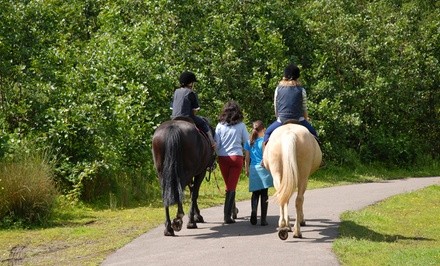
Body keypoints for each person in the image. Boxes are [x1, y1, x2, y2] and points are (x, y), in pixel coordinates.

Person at [263, 63, 319, 144]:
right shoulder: (301, 90)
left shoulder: (278, 89)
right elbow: (304, 108)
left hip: (282, 119)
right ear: (297, 77)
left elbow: (276, 107)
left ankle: (264, 156)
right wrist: (305, 119)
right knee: (314, 134)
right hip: (299, 119)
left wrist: (278, 118)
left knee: (267, 133)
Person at [215, 100, 249, 224]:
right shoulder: (241, 126)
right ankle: (227, 215)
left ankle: (233, 210)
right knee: (231, 186)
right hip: (236, 158)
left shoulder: (219, 126)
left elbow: (216, 144)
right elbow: (247, 142)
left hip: (223, 158)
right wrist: (248, 156)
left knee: (229, 185)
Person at [171, 71, 216, 148]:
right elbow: (195, 110)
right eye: (193, 82)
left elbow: (172, 107)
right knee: (204, 123)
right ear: (190, 83)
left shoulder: (176, 92)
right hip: (187, 118)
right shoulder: (190, 92)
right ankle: (212, 143)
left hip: (174, 118)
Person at [244, 120, 273, 226]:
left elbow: (247, 158)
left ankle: (253, 211)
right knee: (264, 194)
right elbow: (266, 155)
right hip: (263, 168)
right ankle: (263, 220)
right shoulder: (265, 141)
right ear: (263, 130)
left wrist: (246, 169)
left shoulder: (249, 142)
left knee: (255, 193)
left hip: (253, 169)